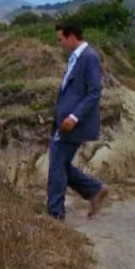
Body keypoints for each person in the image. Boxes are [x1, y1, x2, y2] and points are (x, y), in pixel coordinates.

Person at [47, 21, 110, 221]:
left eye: (61, 40)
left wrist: (74, 117)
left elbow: (94, 92)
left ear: (72, 36)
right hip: (66, 121)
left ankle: (55, 213)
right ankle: (94, 190)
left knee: (57, 165)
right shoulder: (76, 58)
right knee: (61, 164)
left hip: (73, 123)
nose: (60, 44)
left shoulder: (89, 57)